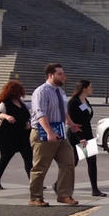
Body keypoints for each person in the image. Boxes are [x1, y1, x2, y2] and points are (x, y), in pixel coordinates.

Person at [29, 63, 81, 207]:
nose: (64, 76)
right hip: (43, 133)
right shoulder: (41, 91)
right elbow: (40, 113)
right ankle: (35, 197)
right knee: (40, 166)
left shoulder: (61, 92)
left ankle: (64, 195)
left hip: (60, 132)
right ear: (51, 75)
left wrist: (71, 124)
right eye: (60, 74)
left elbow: (63, 112)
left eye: (63, 73)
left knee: (68, 163)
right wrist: (49, 132)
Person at [0, 81, 33, 189]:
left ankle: (34, 182)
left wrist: (28, 123)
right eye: (18, 91)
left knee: (28, 159)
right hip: (9, 137)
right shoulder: (5, 103)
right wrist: (6, 116)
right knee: (5, 159)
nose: (20, 93)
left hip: (23, 136)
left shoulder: (21, 103)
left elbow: (27, 116)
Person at [67, 80, 106, 197]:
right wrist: (81, 138)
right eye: (90, 87)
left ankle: (95, 190)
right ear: (84, 88)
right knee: (74, 162)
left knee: (90, 162)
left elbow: (86, 119)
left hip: (87, 134)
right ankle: (58, 184)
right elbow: (73, 123)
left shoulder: (85, 101)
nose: (92, 88)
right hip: (78, 135)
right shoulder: (73, 102)